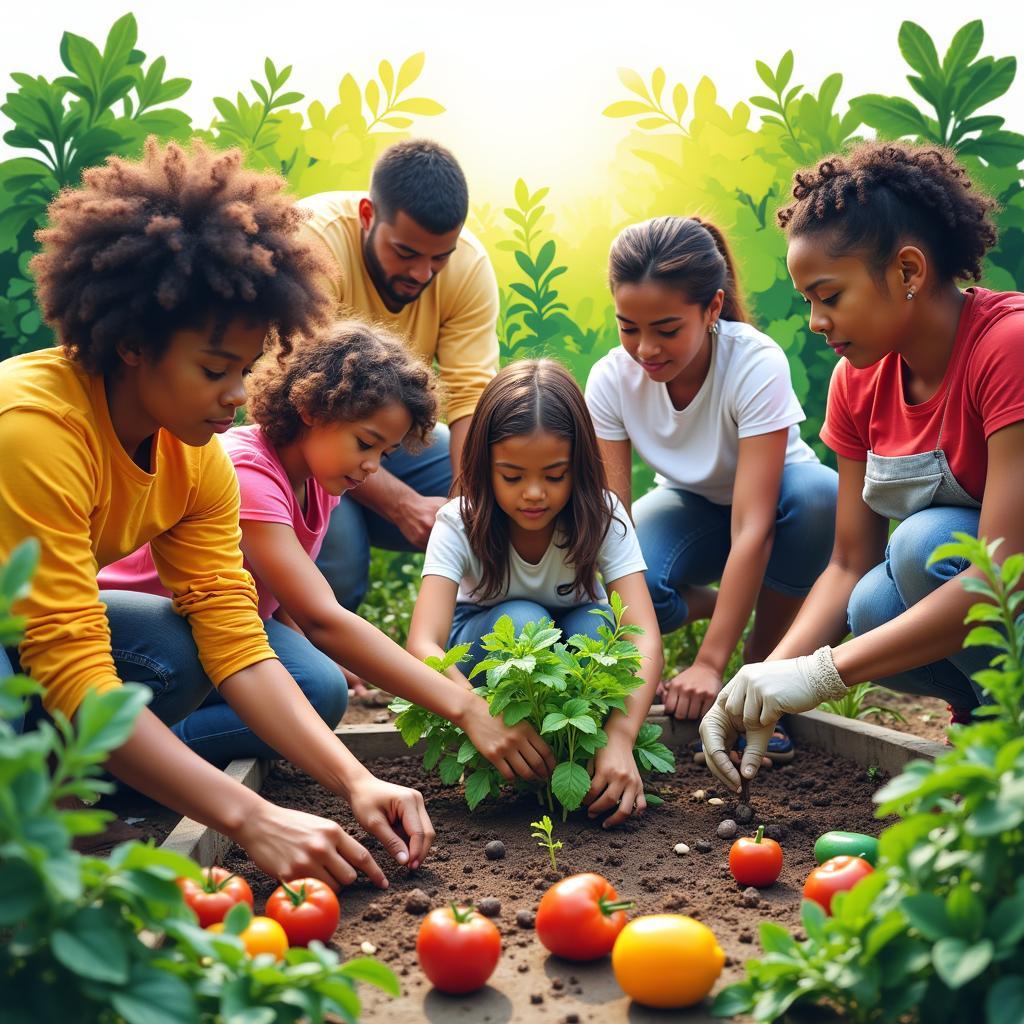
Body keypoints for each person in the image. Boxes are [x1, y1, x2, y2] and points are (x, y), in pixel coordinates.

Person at [0, 138, 433, 889]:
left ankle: (65, 773)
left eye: (244, 367)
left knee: (185, 648)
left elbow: (232, 637)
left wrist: (355, 780)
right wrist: (248, 815)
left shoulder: (195, 454)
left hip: (32, 642)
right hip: (24, 643)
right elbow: (72, 667)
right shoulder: (34, 429)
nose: (237, 394)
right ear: (133, 343)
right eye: (213, 369)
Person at [700, 140, 1024, 793]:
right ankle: (991, 721)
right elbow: (848, 561)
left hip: (1007, 586)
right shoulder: (857, 382)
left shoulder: (1006, 347)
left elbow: (1001, 571)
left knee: (923, 545)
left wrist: (822, 675)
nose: (818, 322)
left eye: (829, 296)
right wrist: (763, 680)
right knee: (873, 599)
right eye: (807, 302)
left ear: (908, 271)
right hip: (994, 618)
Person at [100, 320, 554, 784]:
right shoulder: (248, 472)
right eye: (365, 443)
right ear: (313, 409)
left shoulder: (318, 481)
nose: (373, 465)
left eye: (386, 452)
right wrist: (467, 708)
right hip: (141, 636)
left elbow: (280, 597)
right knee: (317, 687)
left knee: (317, 682)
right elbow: (322, 616)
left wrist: (307, 645)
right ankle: (122, 757)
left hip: (212, 631)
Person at [586, 216, 838, 764]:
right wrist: (624, 664)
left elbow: (754, 524)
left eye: (667, 329)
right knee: (634, 587)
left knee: (822, 495)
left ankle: (763, 681)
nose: (646, 348)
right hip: (691, 508)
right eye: (629, 327)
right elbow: (614, 522)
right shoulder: (610, 379)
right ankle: (732, 604)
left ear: (713, 308)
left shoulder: (754, 362)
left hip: (780, 506)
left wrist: (709, 663)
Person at [407, 359, 665, 827]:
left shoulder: (604, 516)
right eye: (511, 476)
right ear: (484, 466)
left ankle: (586, 761)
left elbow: (643, 634)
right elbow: (423, 644)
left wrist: (622, 736)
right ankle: (518, 762)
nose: (533, 494)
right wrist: (477, 713)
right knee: (526, 620)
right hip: (483, 657)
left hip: (571, 650)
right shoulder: (458, 522)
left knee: (595, 624)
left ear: (580, 466)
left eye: (554, 475)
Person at [298, 139, 500, 614]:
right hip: (306, 445)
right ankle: (311, 664)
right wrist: (401, 504)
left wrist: (464, 505)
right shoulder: (313, 244)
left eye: (439, 257)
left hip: (392, 442)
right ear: (368, 214)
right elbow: (302, 411)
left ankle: (470, 638)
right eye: (406, 252)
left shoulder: (469, 268)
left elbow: (471, 398)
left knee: (499, 493)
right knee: (338, 575)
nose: (423, 273)